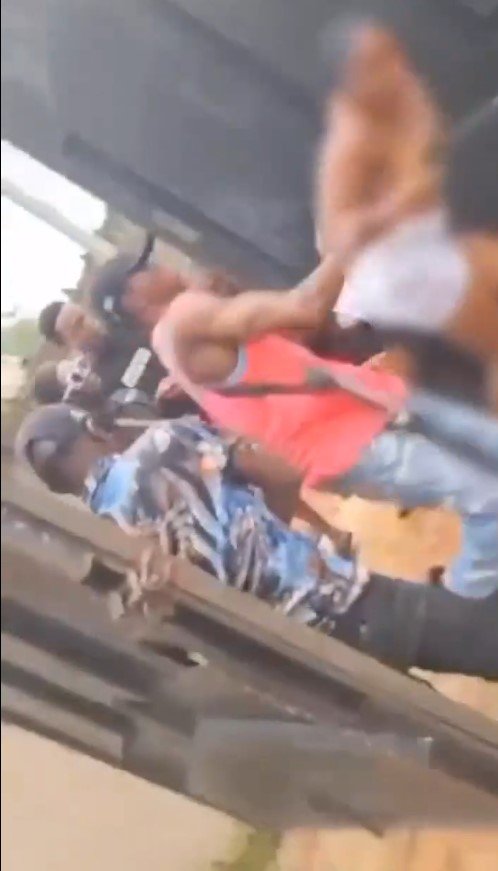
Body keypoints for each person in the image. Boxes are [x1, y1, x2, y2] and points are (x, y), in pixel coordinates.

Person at [15, 403, 498, 678]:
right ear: (93, 429)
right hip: (339, 597)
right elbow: (281, 472)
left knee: (461, 748)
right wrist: (264, 534)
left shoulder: (102, 552)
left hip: (299, 667)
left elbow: (171, 646)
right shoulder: (164, 443)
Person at [37, 298, 199, 417]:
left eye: (84, 316)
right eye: (78, 326)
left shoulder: (126, 323)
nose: (89, 323)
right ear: (66, 344)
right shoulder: (100, 385)